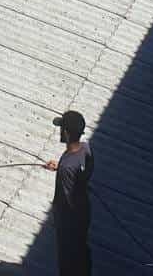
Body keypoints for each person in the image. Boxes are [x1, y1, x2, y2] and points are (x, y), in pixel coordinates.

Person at [43, 109, 94, 276]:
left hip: (70, 222)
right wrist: (60, 167)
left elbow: (67, 201)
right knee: (81, 254)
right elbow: (84, 170)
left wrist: (59, 219)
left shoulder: (67, 168)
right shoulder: (86, 149)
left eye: (61, 128)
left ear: (66, 133)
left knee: (67, 263)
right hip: (85, 212)